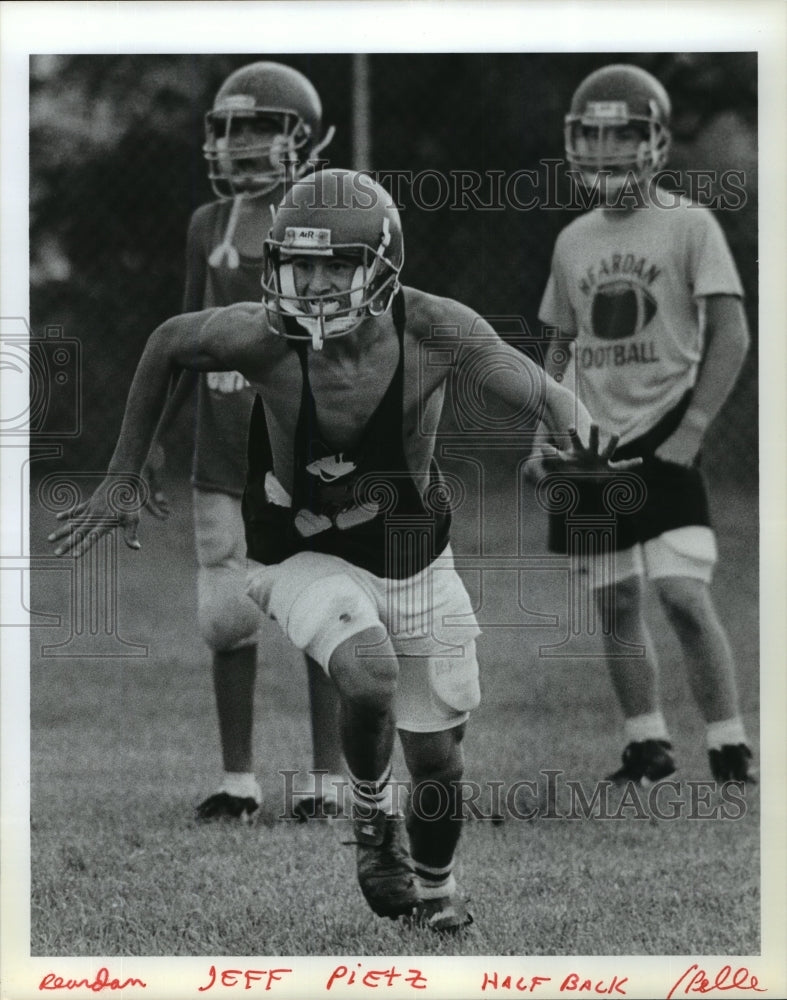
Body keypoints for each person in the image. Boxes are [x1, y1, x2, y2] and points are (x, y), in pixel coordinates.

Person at [51, 167, 634, 931]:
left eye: (337, 265)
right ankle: (368, 817)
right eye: (301, 263)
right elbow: (169, 342)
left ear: (383, 267)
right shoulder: (260, 339)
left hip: (414, 556)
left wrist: (578, 435)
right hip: (295, 551)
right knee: (367, 673)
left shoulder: (431, 329)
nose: (315, 283)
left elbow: (540, 390)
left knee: (438, 761)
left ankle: (436, 887)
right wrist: (123, 472)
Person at [537, 63, 755, 785]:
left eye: (619, 136)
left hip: (663, 429)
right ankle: (646, 744)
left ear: (654, 143)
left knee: (681, 595)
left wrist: (692, 425)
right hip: (591, 444)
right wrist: (548, 432)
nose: (603, 152)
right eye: (590, 138)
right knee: (616, 597)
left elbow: (730, 333)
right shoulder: (572, 239)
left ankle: (728, 745)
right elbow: (562, 347)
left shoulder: (689, 223)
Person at [143, 61, 345, 823]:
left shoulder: (327, 214)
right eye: (228, 128)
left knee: (321, 609)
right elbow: (184, 341)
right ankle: (238, 780)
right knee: (226, 615)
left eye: (257, 125)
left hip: (301, 445)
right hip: (223, 447)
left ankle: (329, 781)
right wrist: (154, 440)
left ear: (300, 136)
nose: (239, 143)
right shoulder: (211, 222)